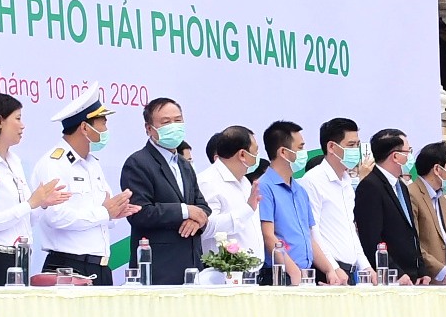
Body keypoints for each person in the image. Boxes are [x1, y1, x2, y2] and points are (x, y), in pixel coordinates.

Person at [31, 89, 137, 281]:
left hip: (101, 267)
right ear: (84, 128)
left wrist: (115, 212)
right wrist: (104, 213)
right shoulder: (54, 163)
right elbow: (56, 217)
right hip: (68, 268)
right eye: (103, 124)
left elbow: (103, 209)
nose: (106, 131)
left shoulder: (92, 163)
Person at [0, 94, 66, 285]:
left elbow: (26, 219)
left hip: (21, 257)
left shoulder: (15, 162)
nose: (22, 126)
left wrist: (41, 204)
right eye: (18, 118)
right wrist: (30, 203)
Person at [124, 97, 210, 283]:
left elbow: (201, 205)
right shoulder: (138, 163)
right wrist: (185, 211)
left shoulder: (184, 165)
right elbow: (139, 212)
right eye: (166, 122)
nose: (174, 126)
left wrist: (196, 220)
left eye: (178, 120)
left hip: (193, 267)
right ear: (149, 129)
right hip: (158, 271)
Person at [298, 118, 368, 285]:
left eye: (357, 145)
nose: (355, 150)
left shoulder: (346, 182)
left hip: (350, 271)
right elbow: (312, 231)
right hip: (328, 273)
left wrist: (365, 265)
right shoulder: (312, 181)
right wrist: (332, 267)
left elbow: (350, 229)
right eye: (350, 145)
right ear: (331, 147)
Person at [351, 128, 423, 283]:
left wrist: (421, 270)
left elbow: (411, 232)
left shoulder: (401, 186)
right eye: (407, 151)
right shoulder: (370, 186)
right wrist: (396, 272)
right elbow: (371, 239)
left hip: (412, 276)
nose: (409, 156)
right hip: (391, 278)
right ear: (395, 156)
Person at [255, 120, 318, 284]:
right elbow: (268, 235)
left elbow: (309, 236)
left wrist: (330, 270)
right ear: (283, 152)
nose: (304, 153)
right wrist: (294, 273)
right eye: (300, 148)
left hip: (305, 274)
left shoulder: (300, 190)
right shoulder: (264, 186)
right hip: (280, 275)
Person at [197, 125, 263, 267]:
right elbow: (205, 228)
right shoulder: (207, 182)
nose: (257, 157)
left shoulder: (244, 181)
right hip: (221, 274)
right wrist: (247, 209)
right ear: (242, 155)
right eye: (255, 152)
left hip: (249, 273)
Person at [404, 142, 446, 279]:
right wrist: (440, 270)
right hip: (426, 277)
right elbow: (413, 242)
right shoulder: (411, 193)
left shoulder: (441, 198)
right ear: (437, 169)